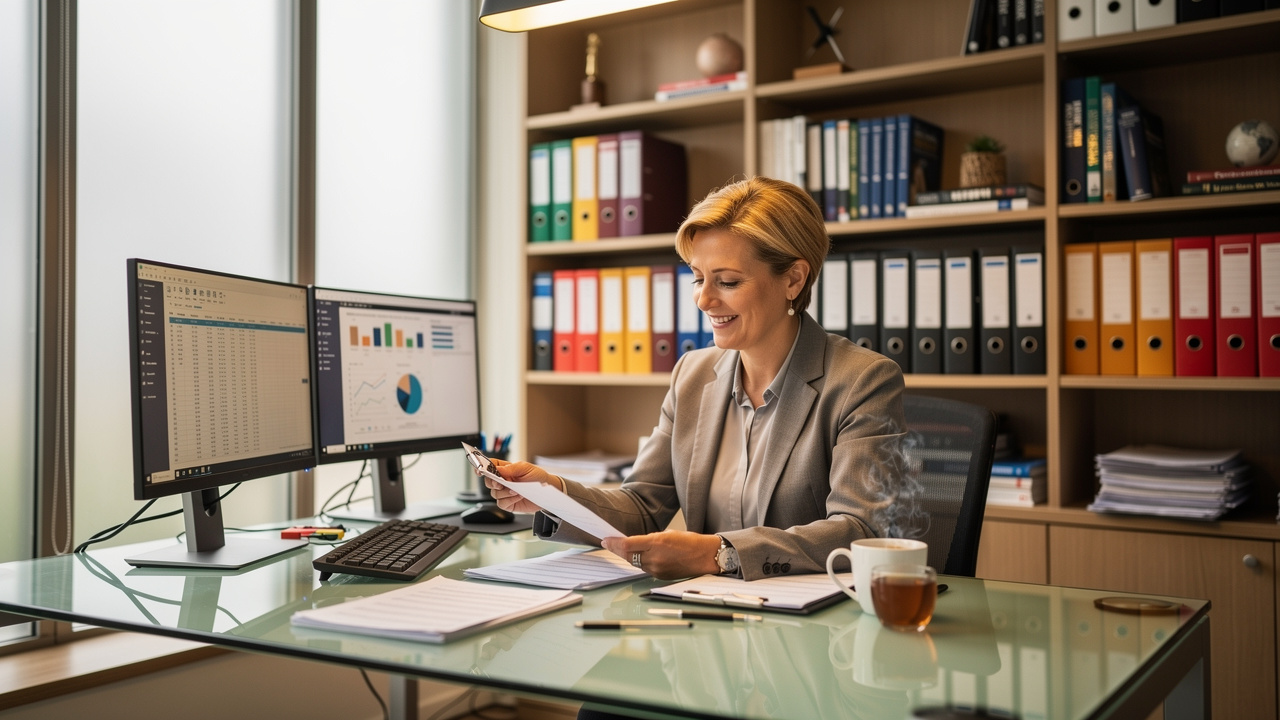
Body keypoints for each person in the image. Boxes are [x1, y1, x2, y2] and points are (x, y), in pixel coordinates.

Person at [483, 176, 908, 582]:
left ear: (793, 279)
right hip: (704, 619)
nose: (704, 299)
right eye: (698, 278)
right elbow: (643, 505)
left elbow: (858, 531)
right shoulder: (692, 374)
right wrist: (554, 493)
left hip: (812, 633)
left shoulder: (861, 381)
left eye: (727, 281)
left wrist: (716, 553)